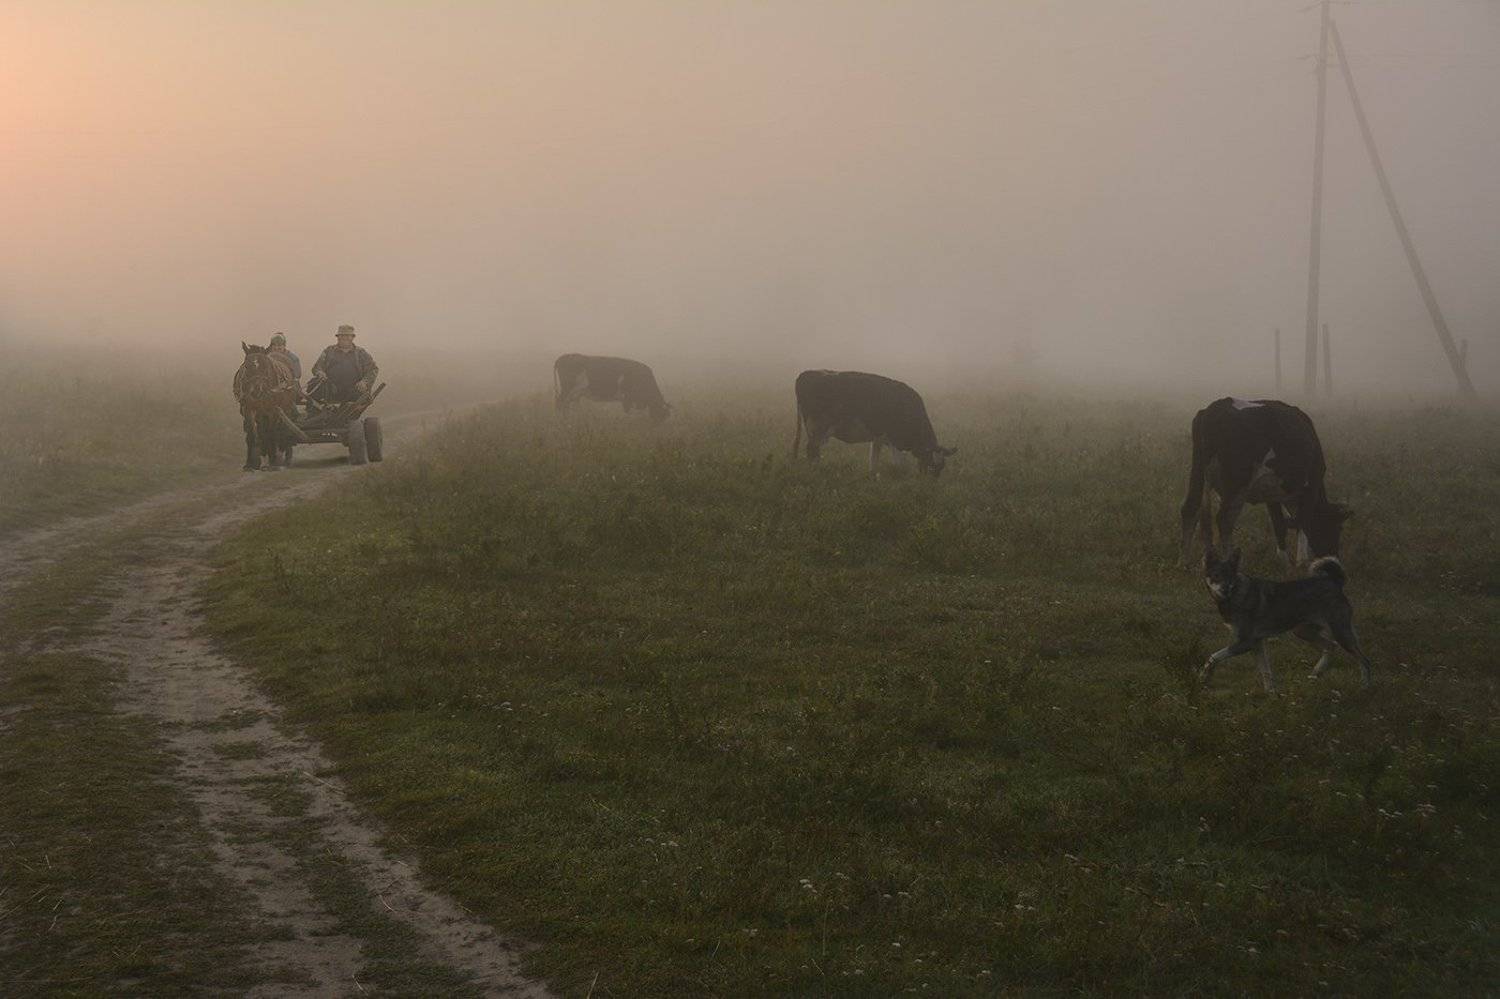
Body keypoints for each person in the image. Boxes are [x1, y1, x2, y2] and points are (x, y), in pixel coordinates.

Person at [309, 324, 378, 403]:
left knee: (359, 395)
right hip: (331, 389)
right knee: (313, 384)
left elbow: (373, 369)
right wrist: (320, 373)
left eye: (348, 336)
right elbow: (317, 367)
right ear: (338, 337)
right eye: (342, 335)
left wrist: (364, 382)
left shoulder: (361, 353)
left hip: (353, 390)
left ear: (352, 337)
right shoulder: (329, 351)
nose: (345, 338)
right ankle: (312, 411)